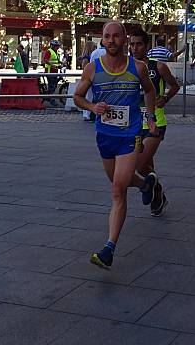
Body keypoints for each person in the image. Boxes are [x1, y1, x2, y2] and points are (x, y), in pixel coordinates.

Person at [73, 21, 159, 269]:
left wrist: (150, 117)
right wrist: (92, 107)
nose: (111, 41)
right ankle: (145, 183)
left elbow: (150, 92)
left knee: (117, 190)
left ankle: (109, 248)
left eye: (116, 37)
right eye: (106, 37)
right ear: (102, 40)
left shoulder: (138, 67)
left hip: (130, 135)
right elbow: (78, 97)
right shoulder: (92, 68)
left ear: (124, 39)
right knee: (117, 181)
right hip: (105, 135)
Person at [129, 28, 180, 217]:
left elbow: (175, 85)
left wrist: (165, 98)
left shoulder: (158, 67)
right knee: (148, 168)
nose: (135, 48)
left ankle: (155, 190)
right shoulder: (126, 67)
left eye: (139, 44)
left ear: (147, 46)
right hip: (133, 124)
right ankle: (158, 193)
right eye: (132, 44)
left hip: (154, 123)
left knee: (139, 166)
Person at [83, 41, 106, 121]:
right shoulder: (107, 52)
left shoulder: (94, 52)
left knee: (91, 95)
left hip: (93, 76)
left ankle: (89, 114)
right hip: (105, 77)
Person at [43, 39, 62, 106]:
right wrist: (52, 65)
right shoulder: (49, 51)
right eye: (56, 46)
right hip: (49, 71)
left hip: (55, 71)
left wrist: (60, 62)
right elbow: (45, 60)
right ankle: (51, 99)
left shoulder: (55, 52)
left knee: (54, 85)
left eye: (58, 46)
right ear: (52, 46)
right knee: (52, 86)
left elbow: (55, 60)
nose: (58, 47)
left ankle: (48, 97)